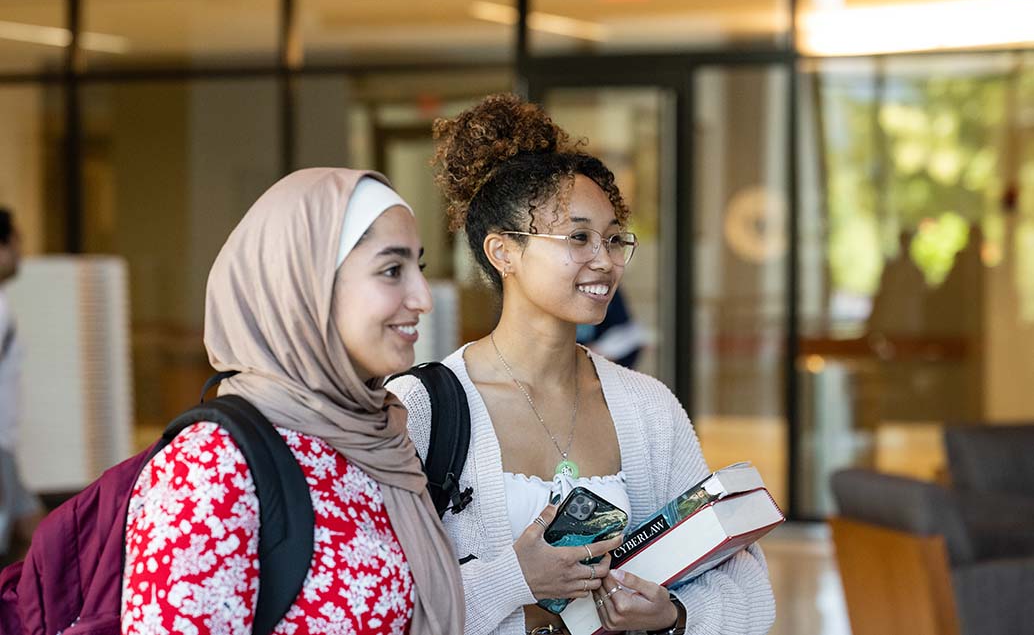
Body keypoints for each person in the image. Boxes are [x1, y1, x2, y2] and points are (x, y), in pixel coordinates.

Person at [387, 95, 775, 635]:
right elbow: (381, 600)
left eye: (614, 238)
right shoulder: (422, 409)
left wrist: (674, 616)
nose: (605, 259)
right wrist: (515, 578)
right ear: (504, 253)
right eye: (578, 237)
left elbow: (746, 586)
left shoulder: (648, 407)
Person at [120, 169, 464, 635]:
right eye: (391, 270)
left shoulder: (378, 437)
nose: (422, 297)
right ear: (305, 284)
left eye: (417, 269)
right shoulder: (210, 466)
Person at [0, 208, 44, 564]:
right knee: (39, 538)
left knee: (36, 533)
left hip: (6, 448)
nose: (20, 256)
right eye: (16, 245)